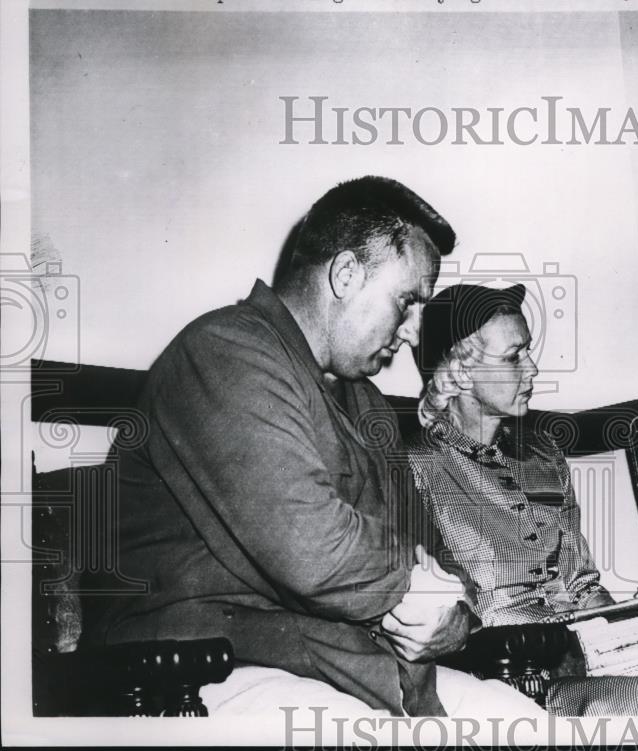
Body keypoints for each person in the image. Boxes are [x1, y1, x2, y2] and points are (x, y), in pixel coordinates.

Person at [86, 176, 545, 718]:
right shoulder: (224, 353)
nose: (416, 333)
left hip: (341, 663)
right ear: (346, 274)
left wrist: (454, 617)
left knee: (523, 722)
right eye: (407, 302)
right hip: (194, 666)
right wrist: (424, 591)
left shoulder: (365, 402)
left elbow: (442, 559)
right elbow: (313, 549)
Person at [406, 282, 638, 717]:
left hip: (591, 662)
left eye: (528, 351)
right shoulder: (417, 465)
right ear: (459, 373)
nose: (532, 369)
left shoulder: (542, 455)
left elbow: (582, 586)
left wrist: (631, 636)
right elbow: (446, 610)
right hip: (513, 675)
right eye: (513, 356)